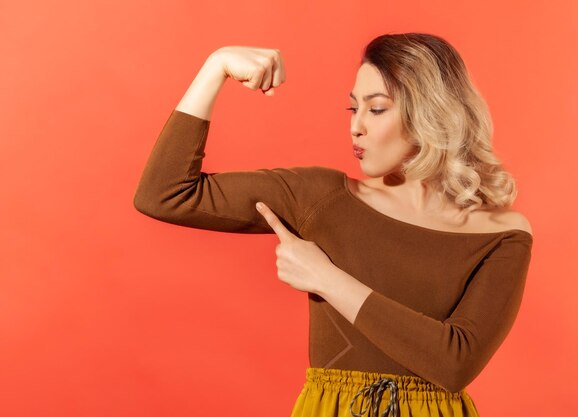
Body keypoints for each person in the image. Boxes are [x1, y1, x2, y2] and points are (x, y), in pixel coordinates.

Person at [133, 33, 533, 417]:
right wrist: (215, 67)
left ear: (431, 114)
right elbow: (165, 194)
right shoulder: (321, 197)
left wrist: (326, 279)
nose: (355, 126)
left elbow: (454, 364)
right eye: (352, 108)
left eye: (375, 109)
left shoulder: (502, 233)